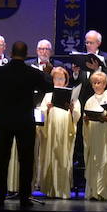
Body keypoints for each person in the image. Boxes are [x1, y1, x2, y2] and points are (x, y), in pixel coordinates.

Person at [0, 40, 52, 206]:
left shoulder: (1, 71)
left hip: (5, 118)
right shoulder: (32, 72)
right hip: (25, 120)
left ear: (11, 53)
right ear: (26, 54)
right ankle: (24, 198)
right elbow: (48, 87)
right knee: (26, 160)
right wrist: (46, 74)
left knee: (2, 159)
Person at [38, 66, 79, 198]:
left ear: (66, 80)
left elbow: (76, 115)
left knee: (63, 157)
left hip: (65, 131)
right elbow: (41, 112)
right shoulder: (48, 95)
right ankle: (50, 188)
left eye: (61, 78)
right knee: (51, 156)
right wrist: (47, 109)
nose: (59, 81)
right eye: (56, 78)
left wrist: (72, 109)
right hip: (51, 130)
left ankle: (62, 189)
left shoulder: (71, 95)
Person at [80, 69, 107, 201]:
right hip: (93, 136)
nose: (96, 85)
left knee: (105, 162)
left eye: (99, 83)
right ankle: (92, 192)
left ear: (105, 84)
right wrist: (86, 121)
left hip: (106, 135)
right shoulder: (89, 100)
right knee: (94, 162)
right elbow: (85, 119)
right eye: (94, 83)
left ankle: (103, 192)